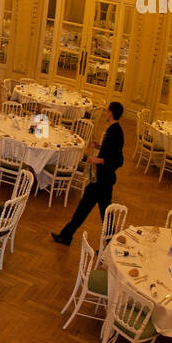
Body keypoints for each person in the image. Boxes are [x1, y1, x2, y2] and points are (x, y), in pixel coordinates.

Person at [51, 101, 124, 246]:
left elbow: (117, 160)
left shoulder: (115, 132)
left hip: (102, 180)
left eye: (107, 111)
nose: (105, 113)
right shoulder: (114, 130)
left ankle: (67, 236)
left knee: (91, 210)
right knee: (102, 213)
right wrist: (100, 146)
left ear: (111, 113)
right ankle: (69, 236)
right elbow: (112, 151)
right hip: (103, 180)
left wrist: (97, 160)